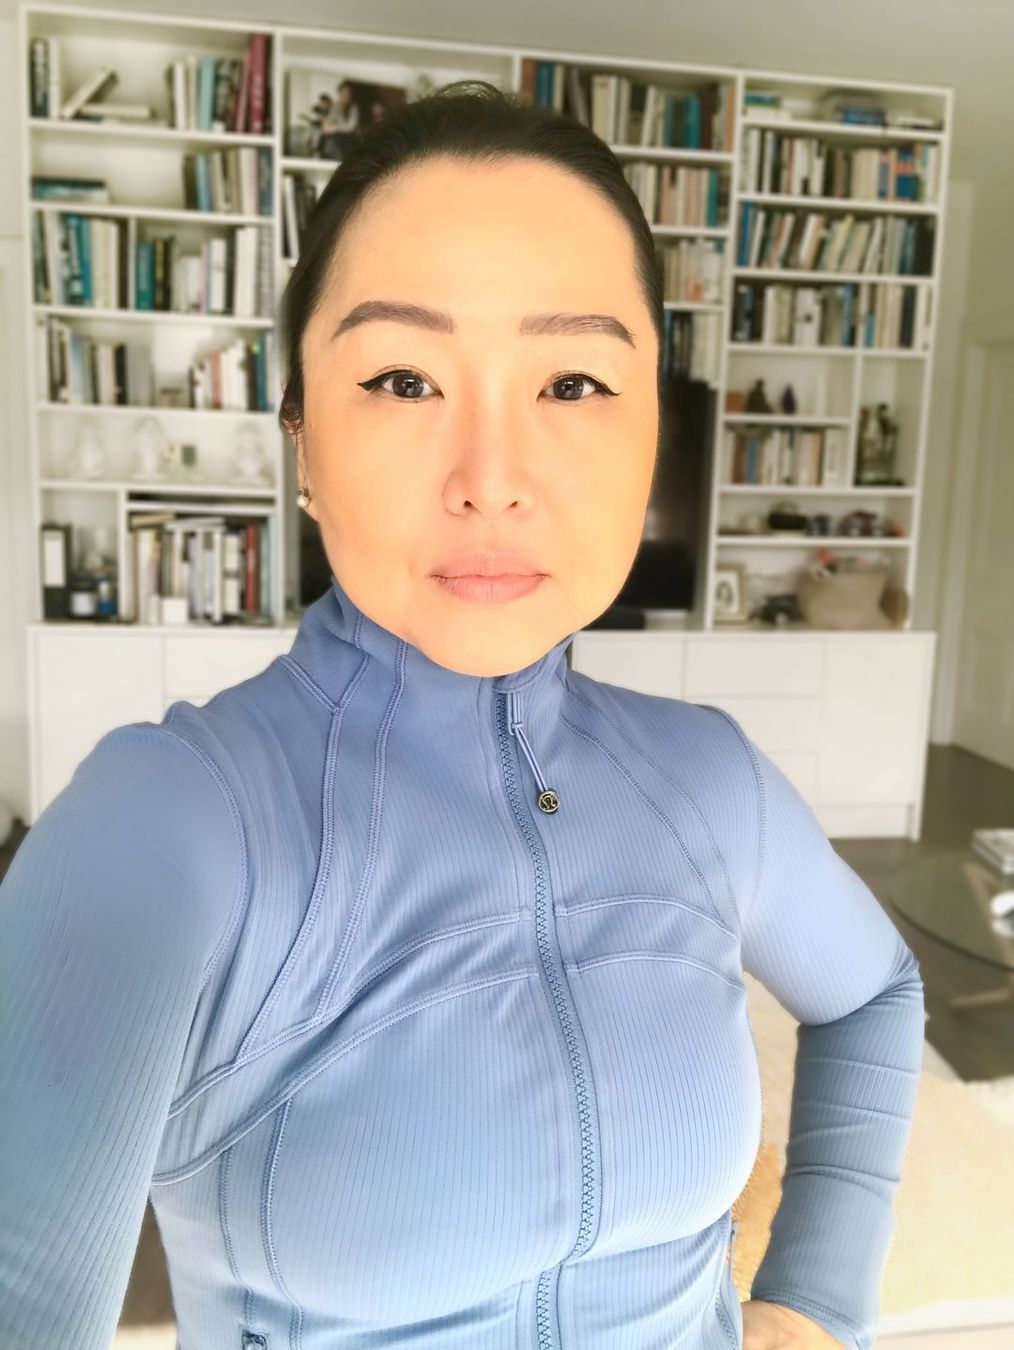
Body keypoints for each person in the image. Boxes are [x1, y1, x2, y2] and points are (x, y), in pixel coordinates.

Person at [0, 81, 925, 1349]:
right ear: (302, 439)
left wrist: (815, 1303)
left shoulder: (708, 779)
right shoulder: (169, 824)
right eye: (400, 376)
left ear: (652, 425)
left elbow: (873, 994)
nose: (491, 481)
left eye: (576, 384)